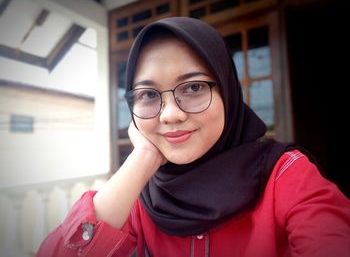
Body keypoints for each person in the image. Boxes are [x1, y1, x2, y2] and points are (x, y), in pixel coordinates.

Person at [37, 17, 350, 257]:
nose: (170, 114)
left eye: (194, 87)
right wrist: (143, 158)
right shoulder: (140, 195)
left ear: (226, 91)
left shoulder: (284, 176)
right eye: (148, 94)